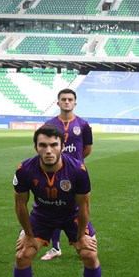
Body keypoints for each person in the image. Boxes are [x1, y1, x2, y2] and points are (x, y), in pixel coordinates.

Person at [6, 125, 103, 277]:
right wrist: (29, 235)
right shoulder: (24, 170)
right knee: (22, 255)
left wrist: (81, 237)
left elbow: (84, 206)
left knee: (89, 254)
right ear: (35, 147)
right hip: (42, 215)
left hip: (72, 215)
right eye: (43, 145)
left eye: (53, 145)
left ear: (62, 146)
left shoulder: (78, 170)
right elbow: (20, 204)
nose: (48, 150)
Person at [40, 88, 93, 261]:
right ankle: (55, 247)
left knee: (79, 208)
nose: (67, 102)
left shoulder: (83, 125)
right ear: (58, 102)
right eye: (63, 99)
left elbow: (87, 149)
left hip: (76, 175)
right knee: (54, 207)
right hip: (54, 173)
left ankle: (80, 240)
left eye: (70, 99)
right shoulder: (49, 124)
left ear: (75, 102)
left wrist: (73, 164)